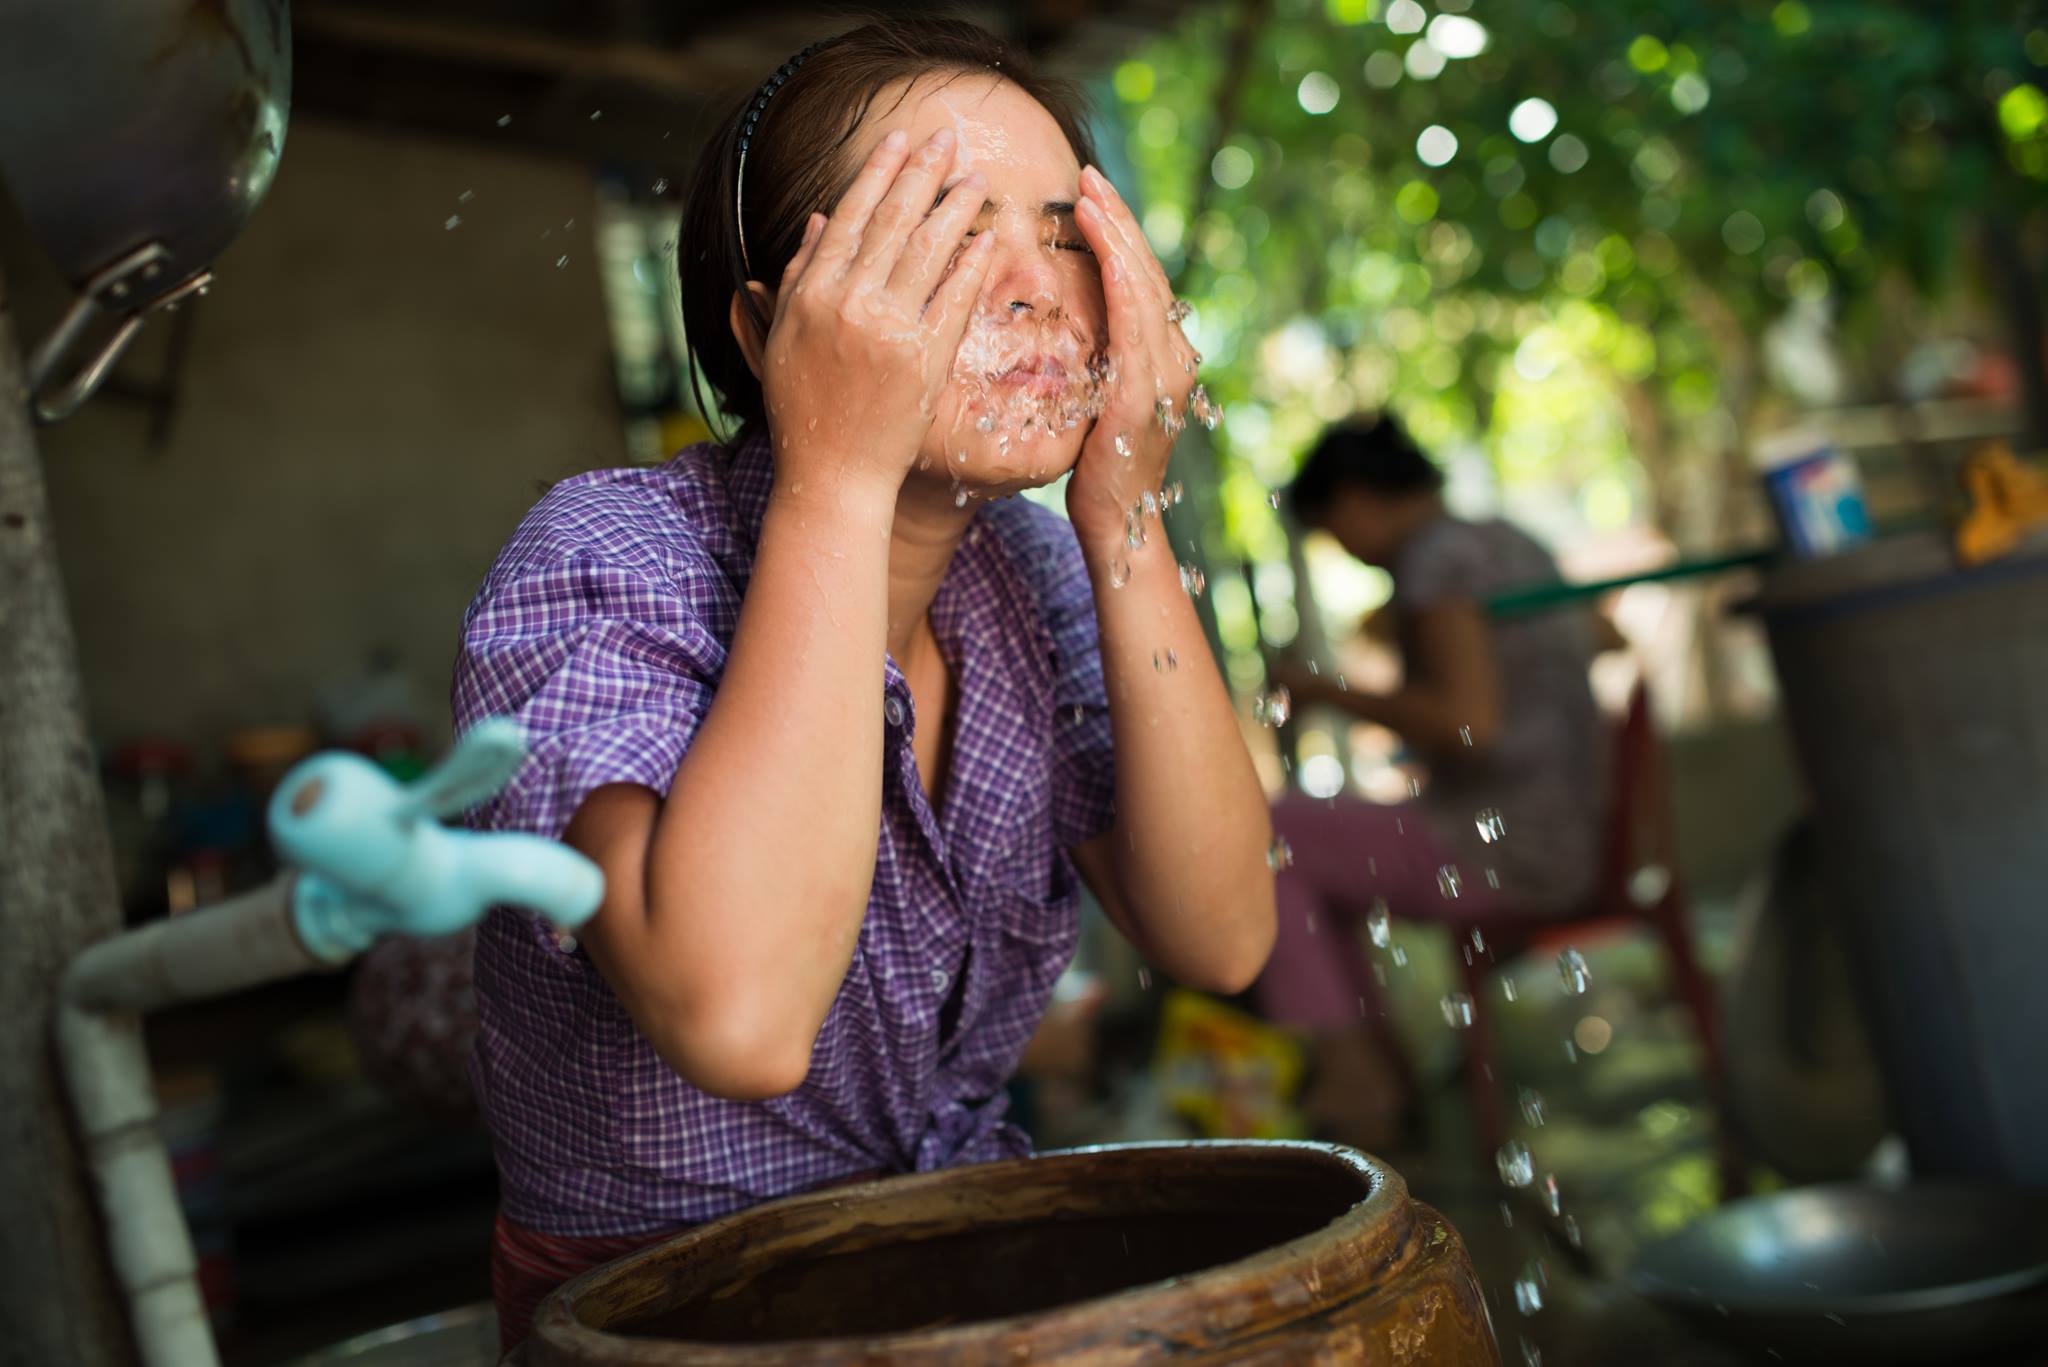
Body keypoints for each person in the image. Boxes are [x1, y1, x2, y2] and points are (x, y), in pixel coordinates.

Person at [450, 19, 1275, 1351]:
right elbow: (741, 1017)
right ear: (775, 323)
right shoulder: (606, 557)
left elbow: (1221, 931)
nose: (1037, 289)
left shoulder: (1027, 570)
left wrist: (1123, 515)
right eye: (944, 232)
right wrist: (835, 473)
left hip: (949, 1256)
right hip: (667, 1311)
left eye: (1065, 232)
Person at [1256, 415, 1608, 1150]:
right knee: (1307, 844)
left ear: (1353, 501)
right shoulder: (1512, 540)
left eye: (1332, 531)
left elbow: (1471, 724)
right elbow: (1603, 642)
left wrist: (1323, 691)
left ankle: (1359, 1080)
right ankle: (1381, 1067)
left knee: (1269, 831)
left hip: (1507, 848)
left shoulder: (1437, 561)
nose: (1345, 548)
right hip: (1575, 830)